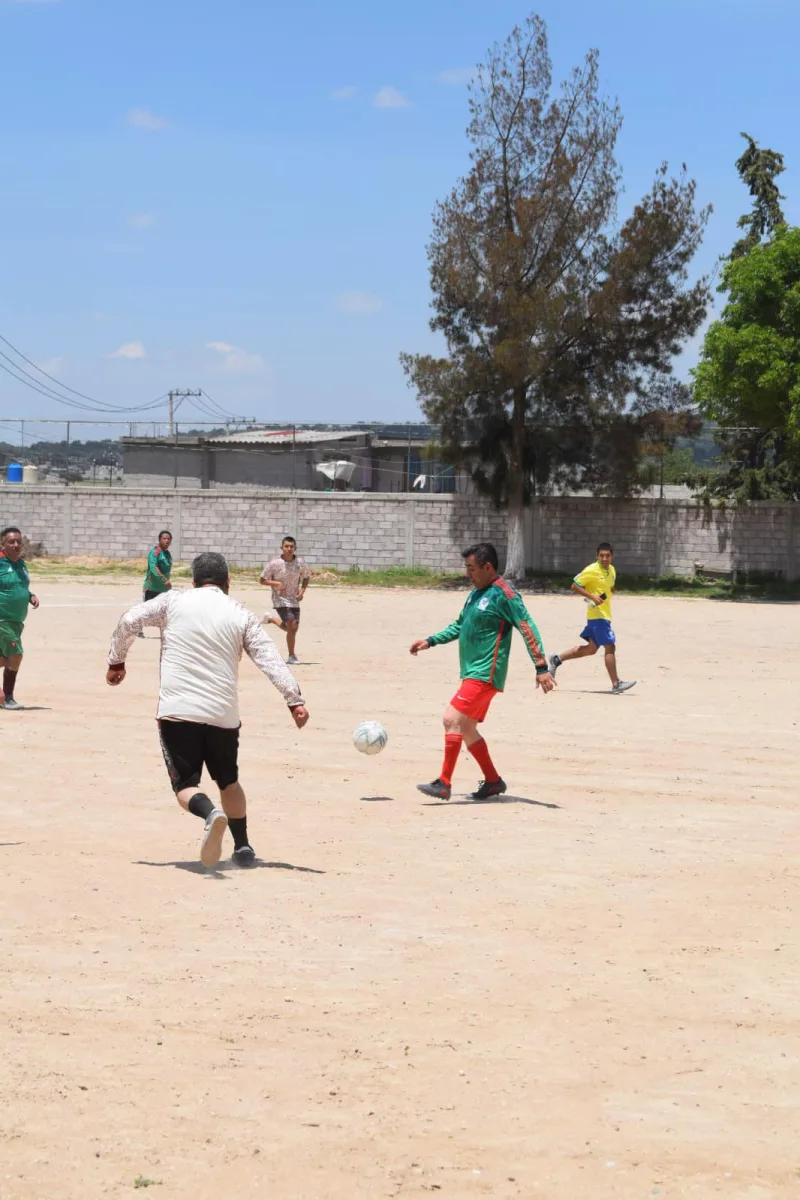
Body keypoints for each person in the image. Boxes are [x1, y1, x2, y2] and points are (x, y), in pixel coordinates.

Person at [106, 551, 309, 868]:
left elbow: (130, 621)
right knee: (229, 782)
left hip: (178, 711)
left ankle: (208, 813)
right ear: (227, 582)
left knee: (186, 785)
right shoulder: (239, 612)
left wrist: (117, 660)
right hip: (223, 715)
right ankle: (242, 847)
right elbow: (268, 657)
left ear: (194, 581)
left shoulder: (173, 602)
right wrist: (293, 699)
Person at [410, 542, 555, 801]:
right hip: (472, 672)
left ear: (488, 567)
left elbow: (527, 626)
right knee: (466, 728)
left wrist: (541, 666)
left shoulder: (504, 594)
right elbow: (459, 626)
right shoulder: (476, 593)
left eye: (471, 568)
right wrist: (430, 640)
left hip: (485, 673)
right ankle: (492, 781)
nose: (468, 573)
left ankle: (444, 782)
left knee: (451, 719)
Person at [548, 542, 636, 694]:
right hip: (597, 616)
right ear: (596, 556)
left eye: (607, 556)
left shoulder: (612, 570)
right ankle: (616, 684)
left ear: (612, 556)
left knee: (591, 649)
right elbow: (574, 585)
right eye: (601, 556)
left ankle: (557, 659)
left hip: (605, 615)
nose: (604, 558)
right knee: (610, 646)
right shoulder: (591, 569)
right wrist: (591, 596)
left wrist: (610, 590)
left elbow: (608, 586)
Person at [0, 526, 40, 710]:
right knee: (16, 655)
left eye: (18, 541)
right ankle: (8, 698)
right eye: (11, 541)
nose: (16, 544)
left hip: (16, 621)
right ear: (2, 544)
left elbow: (20, 585)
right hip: (2, 619)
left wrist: (30, 595)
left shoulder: (21, 564)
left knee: (4, 659)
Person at [260, 536, 311, 665]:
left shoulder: (300, 563)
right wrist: (276, 583)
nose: (289, 549)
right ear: (282, 548)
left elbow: (306, 576)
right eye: (286, 546)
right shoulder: (274, 563)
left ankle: (271, 619)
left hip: (294, 599)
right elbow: (262, 580)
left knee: (292, 629)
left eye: (291, 547)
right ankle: (292, 656)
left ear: (295, 548)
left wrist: (303, 590)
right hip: (279, 598)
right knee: (292, 625)